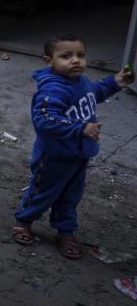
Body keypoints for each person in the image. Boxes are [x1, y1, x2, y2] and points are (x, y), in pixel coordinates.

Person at [11, 35, 134, 258]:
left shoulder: (81, 81)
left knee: (71, 196)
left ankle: (65, 231)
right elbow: (46, 119)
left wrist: (114, 83)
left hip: (78, 155)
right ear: (49, 61)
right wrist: (80, 128)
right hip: (54, 156)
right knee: (43, 192)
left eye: (81, 55)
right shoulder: (52, 89)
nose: (76, 61)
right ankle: (24, 221)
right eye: (66, 56)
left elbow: (93, 94)